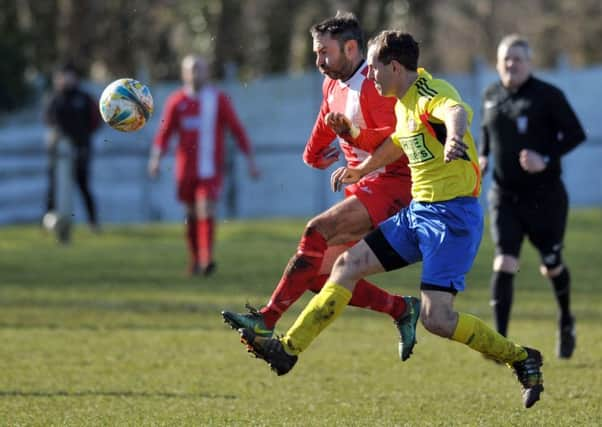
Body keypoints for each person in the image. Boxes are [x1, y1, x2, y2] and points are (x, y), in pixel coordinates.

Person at [239, 30, 545, 409]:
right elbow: (400, 141)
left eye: (375, 69)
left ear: (395, 67)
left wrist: (454, 137)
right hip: (418, 212)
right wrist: (362, 168)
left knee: (438, 319)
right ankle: (288, 350)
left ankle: (520, 357)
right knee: (347, 265)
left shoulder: (431, 94)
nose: (370, 76)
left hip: (452, 221)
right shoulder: (402, 101)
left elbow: (455, 111)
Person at [222, 12, 420, 361]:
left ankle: (265, 320)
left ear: (350, 47)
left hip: (395, 184)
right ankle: (400, 309)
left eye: (324, 53)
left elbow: (397, 142)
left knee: (317, 230)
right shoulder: (332, 85)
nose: (318, 61)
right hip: (364, 187)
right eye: (316, 53)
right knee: (317, 274)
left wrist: (351, 135)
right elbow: (322, 134)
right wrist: (314, 155)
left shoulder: (375, 86)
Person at [479, 35, 586, 359]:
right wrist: (483, 157)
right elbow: (487, 133)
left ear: (529, 63)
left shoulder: (548, 96)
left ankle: (566, 320)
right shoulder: (490, 95)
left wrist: (546, 158)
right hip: (504, 194)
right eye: (505, 59)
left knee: (551, 265)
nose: (511, 64)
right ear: (498, 63)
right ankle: (499, 342)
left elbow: (575, 134)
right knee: (505, 260)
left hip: (545, 196)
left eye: (518, 59)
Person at [149, 55, 260, 276]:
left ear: (207, 72)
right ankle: (195, 260)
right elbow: (165, 132)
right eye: (191, 69)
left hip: (210, 169)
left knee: (205, 208)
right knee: (190, 213)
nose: (195, 73)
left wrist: (250, 160)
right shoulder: (176, 101)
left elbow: (236, 129)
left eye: (199, 69)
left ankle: (207, 258)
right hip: (185, 170)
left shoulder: (217, 99)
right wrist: (156, 158)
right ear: (184, 74)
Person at [44, 63, 101, 231]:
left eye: (70, 75)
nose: (66, 79)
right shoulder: (54, 98)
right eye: (63, 76)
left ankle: (93, 223)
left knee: (83, 185)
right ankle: (48, 222)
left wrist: (82, 139)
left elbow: (95, 121)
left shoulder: (84, 98)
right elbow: (48, 120)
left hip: (80, 149)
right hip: (59, 151)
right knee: (53, 187)